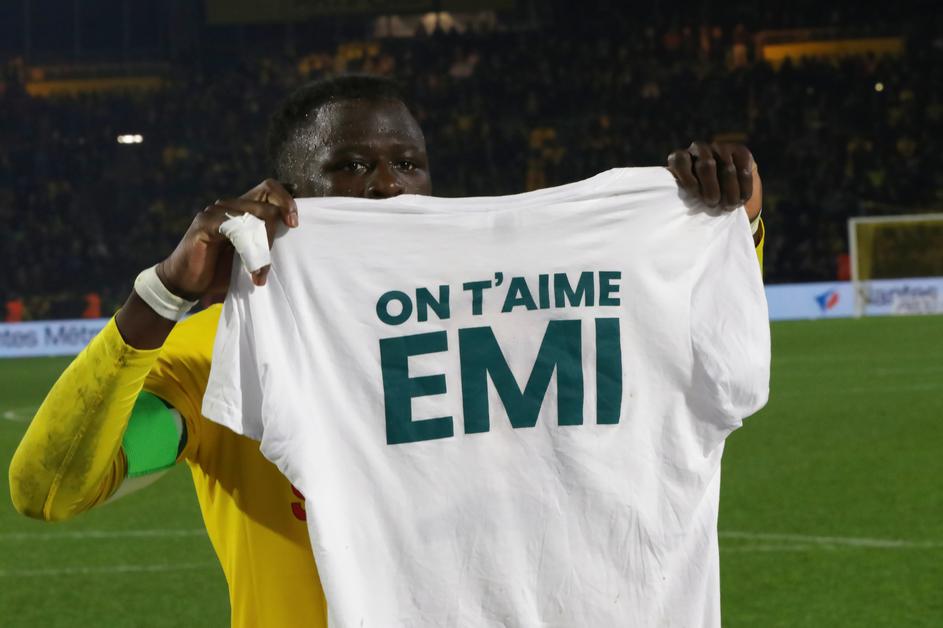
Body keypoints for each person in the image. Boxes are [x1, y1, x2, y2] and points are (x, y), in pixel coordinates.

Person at [9, 75, 765, 628]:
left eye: (406, 163)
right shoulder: (221, 351)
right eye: (350, 165)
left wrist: (721, 223)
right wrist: (164, 296)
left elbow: (666, 327)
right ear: (283, 193)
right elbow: (50, 490)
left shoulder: (512, 313)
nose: (386, 187)